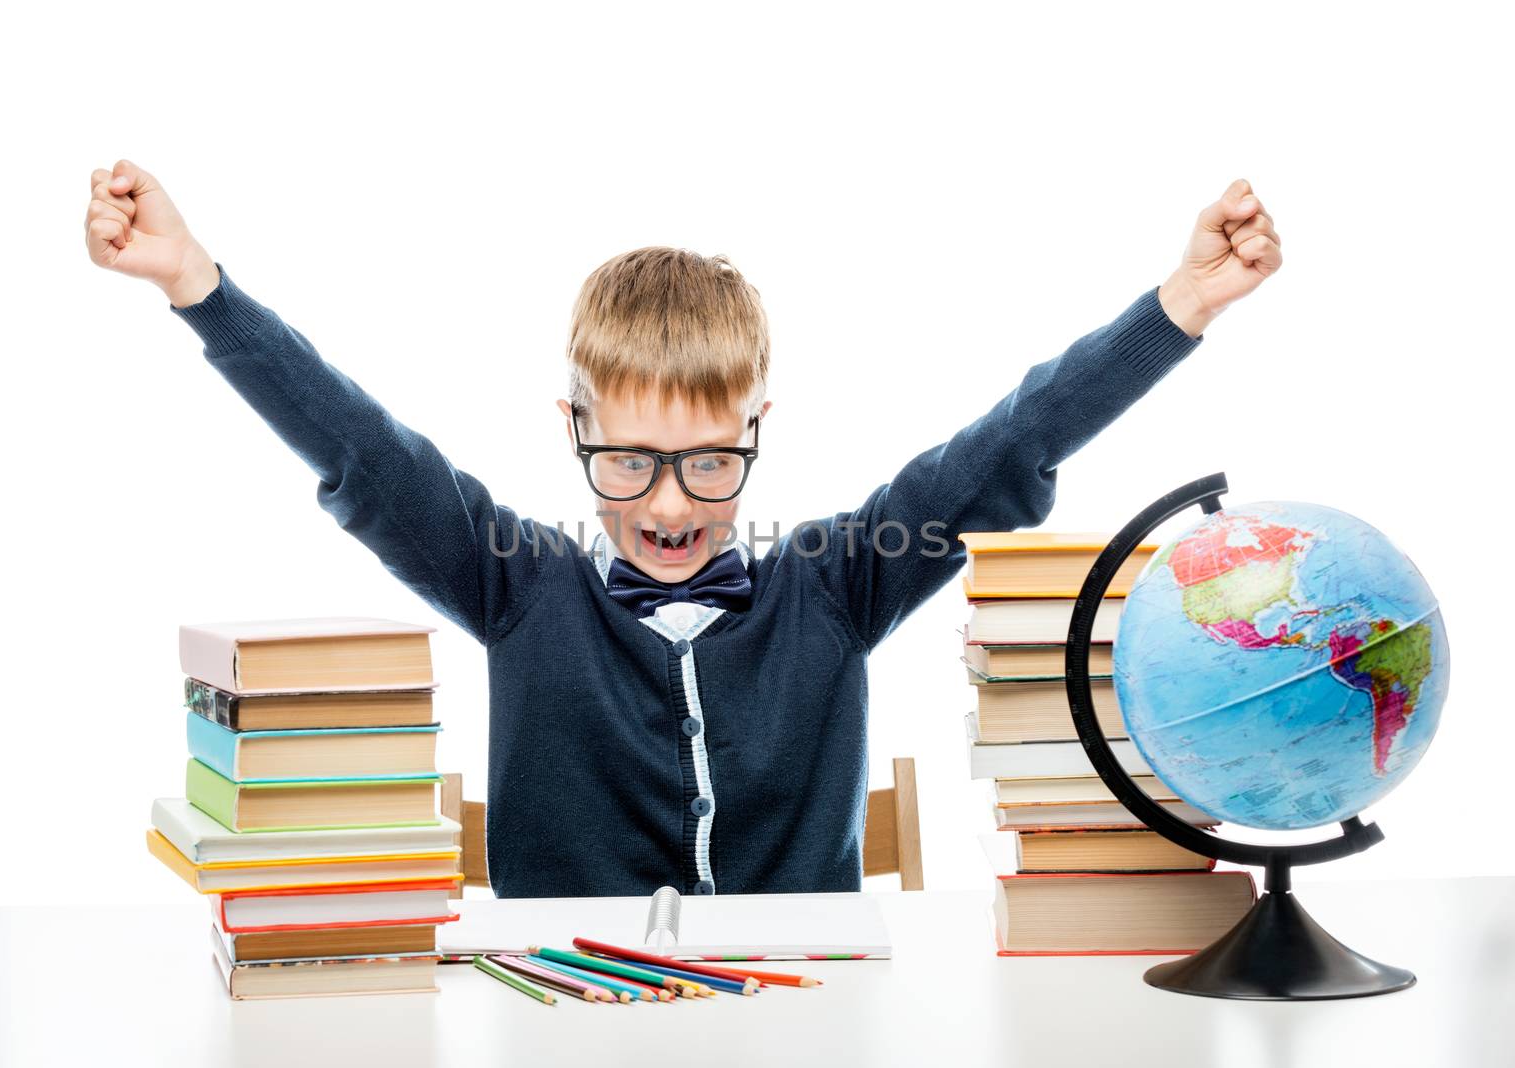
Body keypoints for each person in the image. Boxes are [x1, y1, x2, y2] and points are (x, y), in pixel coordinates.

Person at [85, 161, 1280, 896]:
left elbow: (1010, 443)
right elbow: (363, 452)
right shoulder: (517, 584)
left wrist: (1179, 308)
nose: (667, 505)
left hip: (807, 1021)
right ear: (570, 428)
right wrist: (197, 283)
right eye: (627, 461)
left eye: (711, 461)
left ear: (760, 425)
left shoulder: (837, 584)